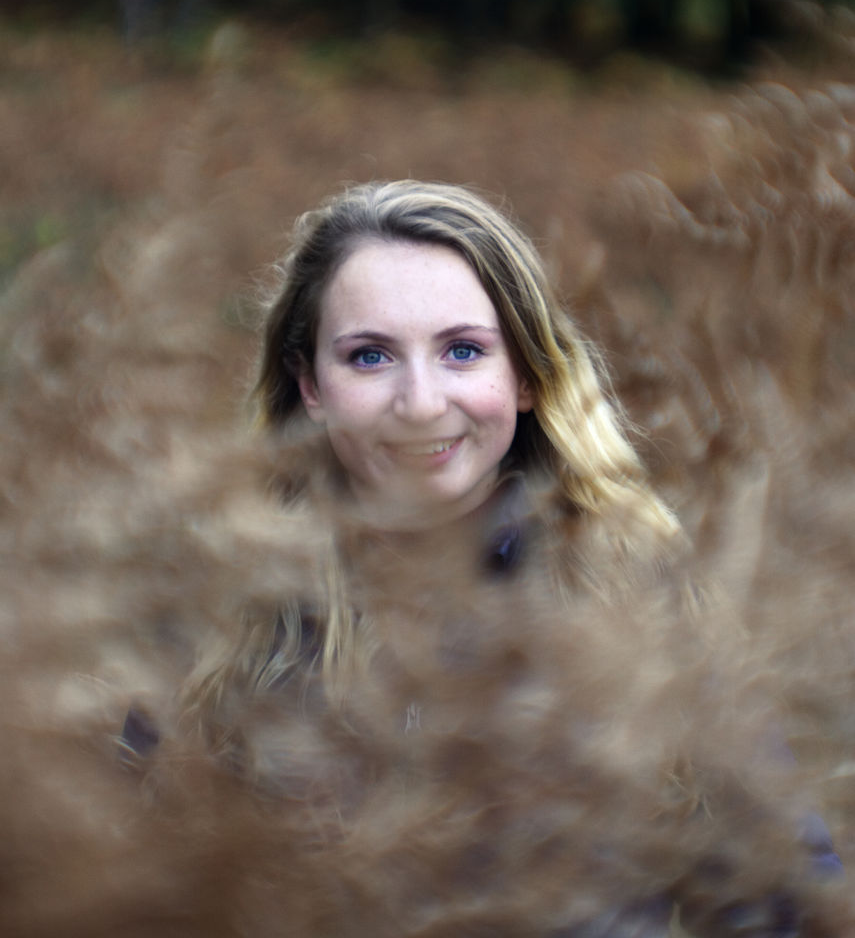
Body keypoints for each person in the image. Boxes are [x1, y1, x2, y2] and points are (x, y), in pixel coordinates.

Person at [171, 180, 840, 938]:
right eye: (368, 357)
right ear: (310, 386)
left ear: (524, 374)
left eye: (462, 351)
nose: (420, 402)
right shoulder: (215, 616)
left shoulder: (639, 595)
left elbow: (789, 900)